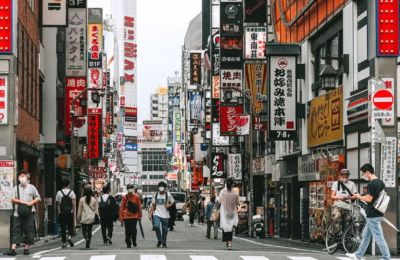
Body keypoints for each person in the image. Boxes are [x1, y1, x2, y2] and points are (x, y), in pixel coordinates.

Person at [346, 164, 390, 260]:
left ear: (368, 172)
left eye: (363, 174)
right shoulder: (380, 182)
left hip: (372, 214)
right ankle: (358, 255)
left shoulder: (371, 184)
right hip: (378, 212)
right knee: (365, 236)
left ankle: (386, 257)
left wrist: (358, 196)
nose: (363, 176)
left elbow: (369, 199)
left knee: (379, 237)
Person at [7, 170, 41, 256]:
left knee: (28, 230)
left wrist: (31, 203)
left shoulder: (32, 187)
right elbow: (12, 199)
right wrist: (22, 202)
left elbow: (38, 197)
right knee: (16, 230)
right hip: (17, 213)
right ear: (18, 178)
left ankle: (26, 248)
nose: (22, 177)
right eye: (20, 176)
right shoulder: (15, 188)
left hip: (29, 212)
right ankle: (13, 249)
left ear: (27, 177)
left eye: (24, 176)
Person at [330, 168, 357, 234]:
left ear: (348, 176)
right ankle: (336, 233)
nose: (345, 178)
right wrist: (339, 197)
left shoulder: (352, 184)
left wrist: (349, 197)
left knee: (347, 222)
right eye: (343, 176)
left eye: (346, 176)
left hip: (348, 207)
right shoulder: (336, 184)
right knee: (336, 216)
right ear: (340, 176)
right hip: (338, 205)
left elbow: (355, 195)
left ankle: (345, 237)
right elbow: (332, 196)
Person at [149, 181, 174, 248]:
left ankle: (164, 242)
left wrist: (168, 205)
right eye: (160, 187)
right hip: (157, 214)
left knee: (165, 230)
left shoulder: (168, 195)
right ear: (158, 188)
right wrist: (150, 213)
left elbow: (173, 202)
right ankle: (159, 239)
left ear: (165, 188)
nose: (161, 188)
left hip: (165, 215)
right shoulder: (156, 195)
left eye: (162, 187)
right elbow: (153, 205)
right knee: (156, 226)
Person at [218, 178, 239, 250]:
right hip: (233, 212)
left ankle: (228, 242)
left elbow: (219, 201)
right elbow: (238, 203)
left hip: (224, 212)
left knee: (225, 227)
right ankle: (229, 242)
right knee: (230, 228)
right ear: (232, 184)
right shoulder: (235, 192)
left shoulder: (222, 191)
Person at [119, 184, 142, 248]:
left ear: (133, 189)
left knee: (134, 229)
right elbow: (122, 207)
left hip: (134, 216)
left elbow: (139, 206)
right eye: (129, 188)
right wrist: (121, 217)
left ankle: (134, 240)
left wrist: (140, 215)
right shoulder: (124, 197)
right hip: (126, 216)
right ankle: (128, 242)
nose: (130, 189)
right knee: (128, 230)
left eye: (131, 188)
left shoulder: (137, 197)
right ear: (127, 189)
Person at [55, 178, 76, 248]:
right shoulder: (71, 192)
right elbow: (73, 203)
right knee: (70, 226)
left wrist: (59, 211)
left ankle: (64, 243)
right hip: (70, 212)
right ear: (68, 184)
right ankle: (69, 237)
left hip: (62, 212)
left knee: (63, 227)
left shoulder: (59, 192)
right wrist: (73, 211)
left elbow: (58, 204)